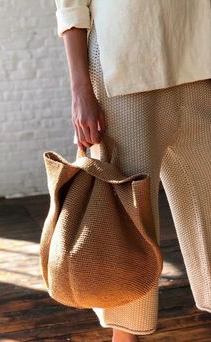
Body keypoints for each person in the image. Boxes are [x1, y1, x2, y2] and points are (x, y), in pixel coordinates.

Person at [54, 1, 211, 341]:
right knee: (126, 217)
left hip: (201, 60)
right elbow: (71, 7)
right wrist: (81, 89)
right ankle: (125, 335)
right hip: (123, 66)